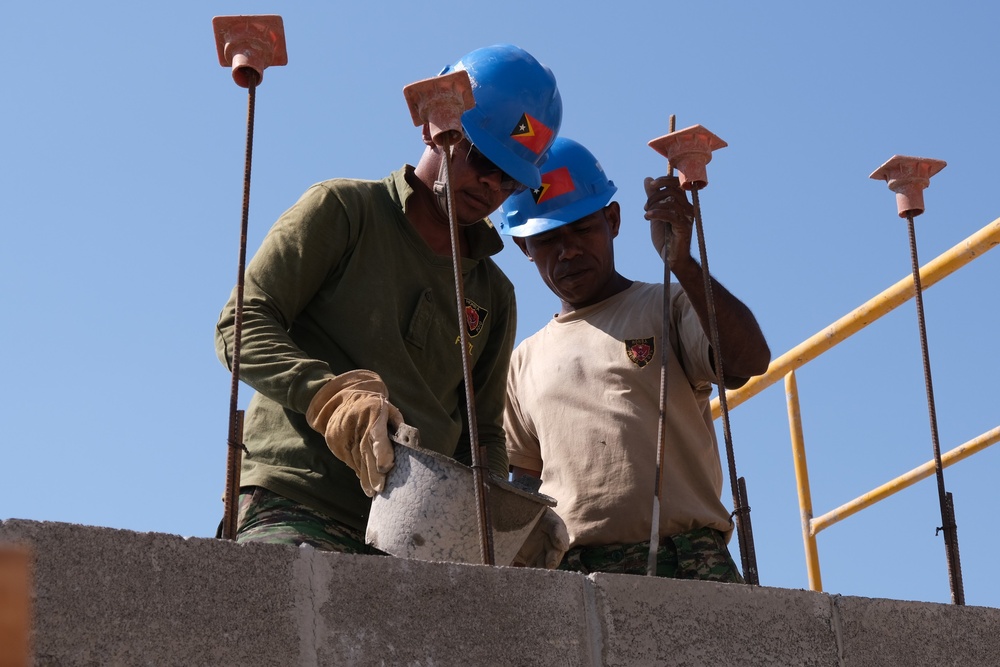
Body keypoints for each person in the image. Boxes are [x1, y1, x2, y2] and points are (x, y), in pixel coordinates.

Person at [214, 44, 563, 554]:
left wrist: (498, 520)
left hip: (414, 533)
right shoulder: (345, 212)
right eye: (481, 155)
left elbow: (482, 435)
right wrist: (329, 397)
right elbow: (240, 323)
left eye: (510, 177)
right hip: (298, 500)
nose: (491, 182)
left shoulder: (493, 294)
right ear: (431, 125)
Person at [499, 137, 771, 581]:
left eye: (582, 228)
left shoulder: (669, 305)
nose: (567, 251)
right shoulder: (524, 362)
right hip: (574, 574)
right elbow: (525, 484)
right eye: (548, 239)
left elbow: (747, 361)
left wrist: (682, 263)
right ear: (525, 248)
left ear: (614, 219)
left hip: (686, 564)